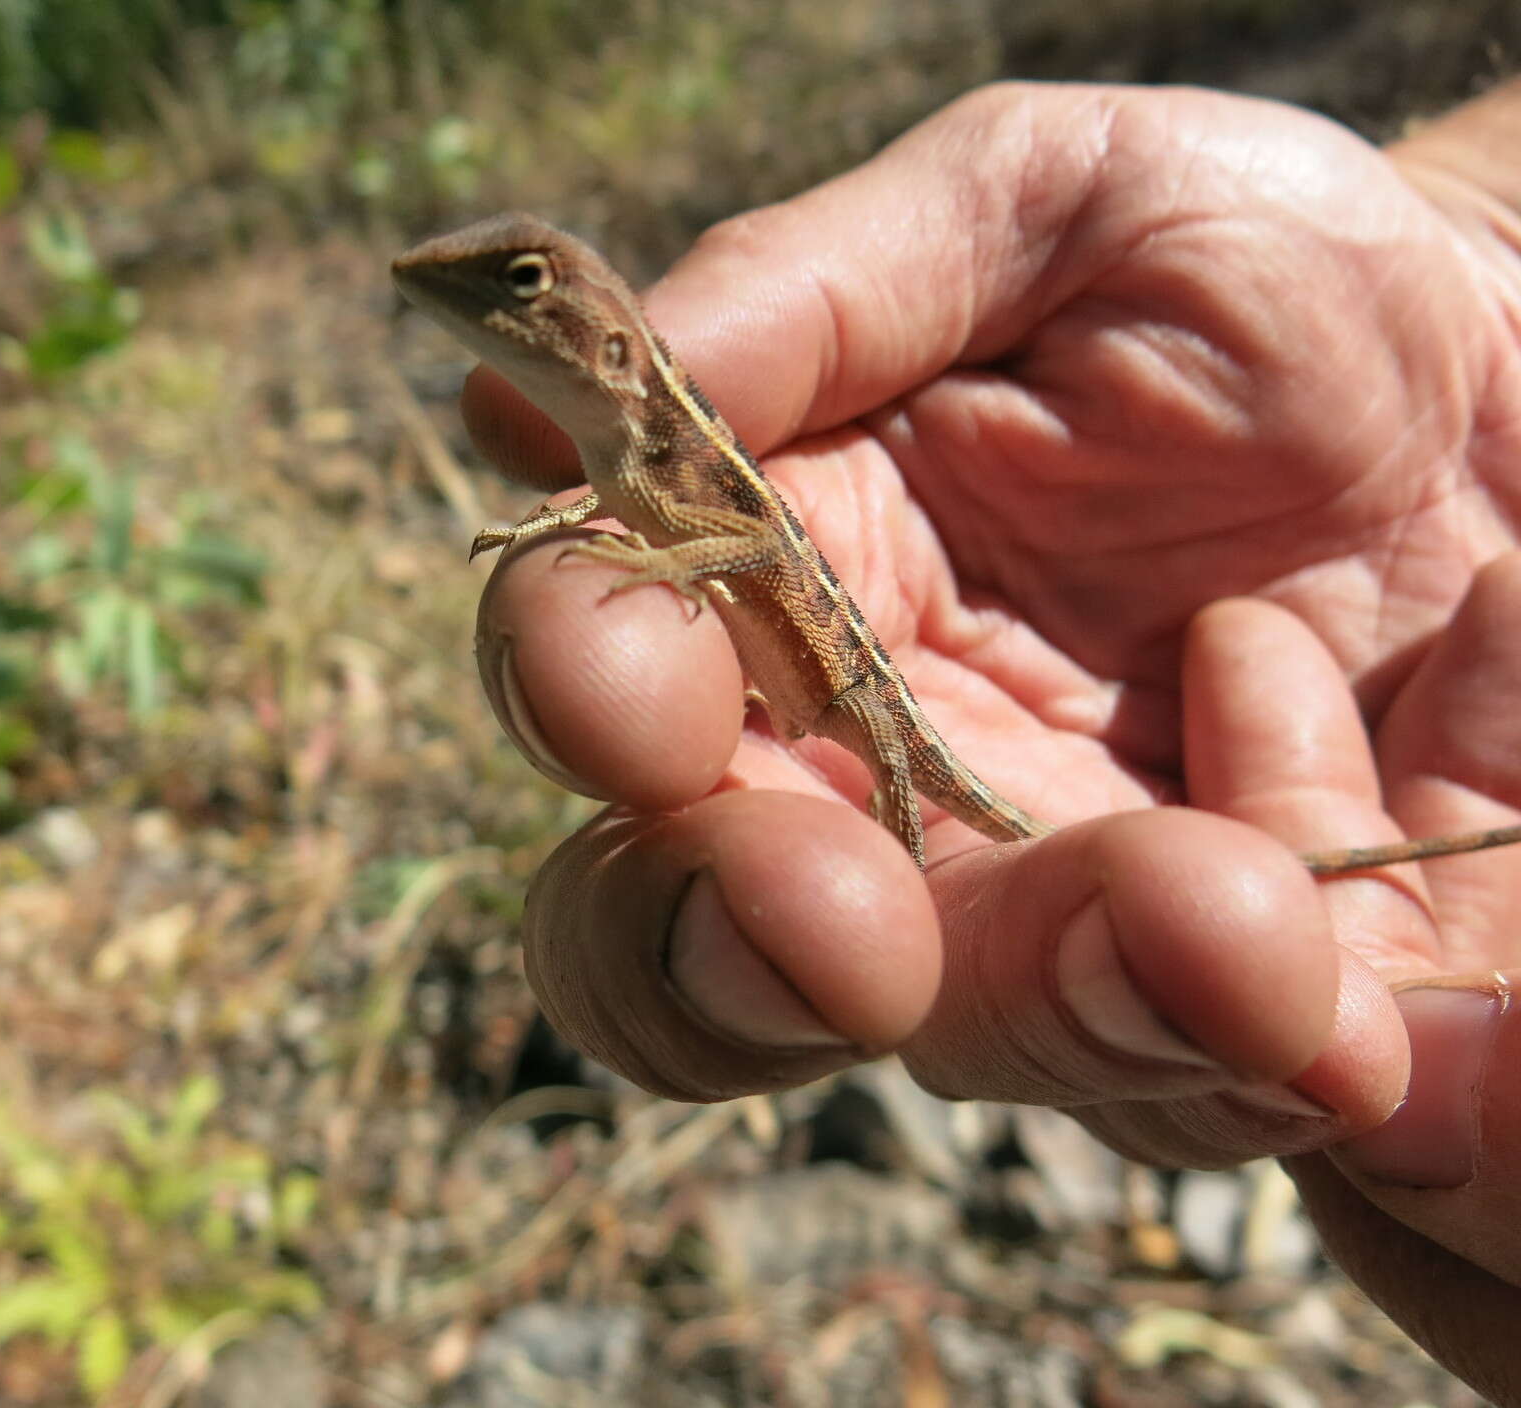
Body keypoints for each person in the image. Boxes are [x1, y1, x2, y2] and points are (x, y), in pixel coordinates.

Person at [462, 77, 1521, 1401]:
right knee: (876, 894)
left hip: (863, 692)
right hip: (831, 671)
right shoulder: (628, 447)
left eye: (518, 285)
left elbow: (737, 545)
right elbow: (670, 536)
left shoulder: (672, 450)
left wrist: (656, 562)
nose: (483, 308)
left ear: (611, 349)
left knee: (906, 838)